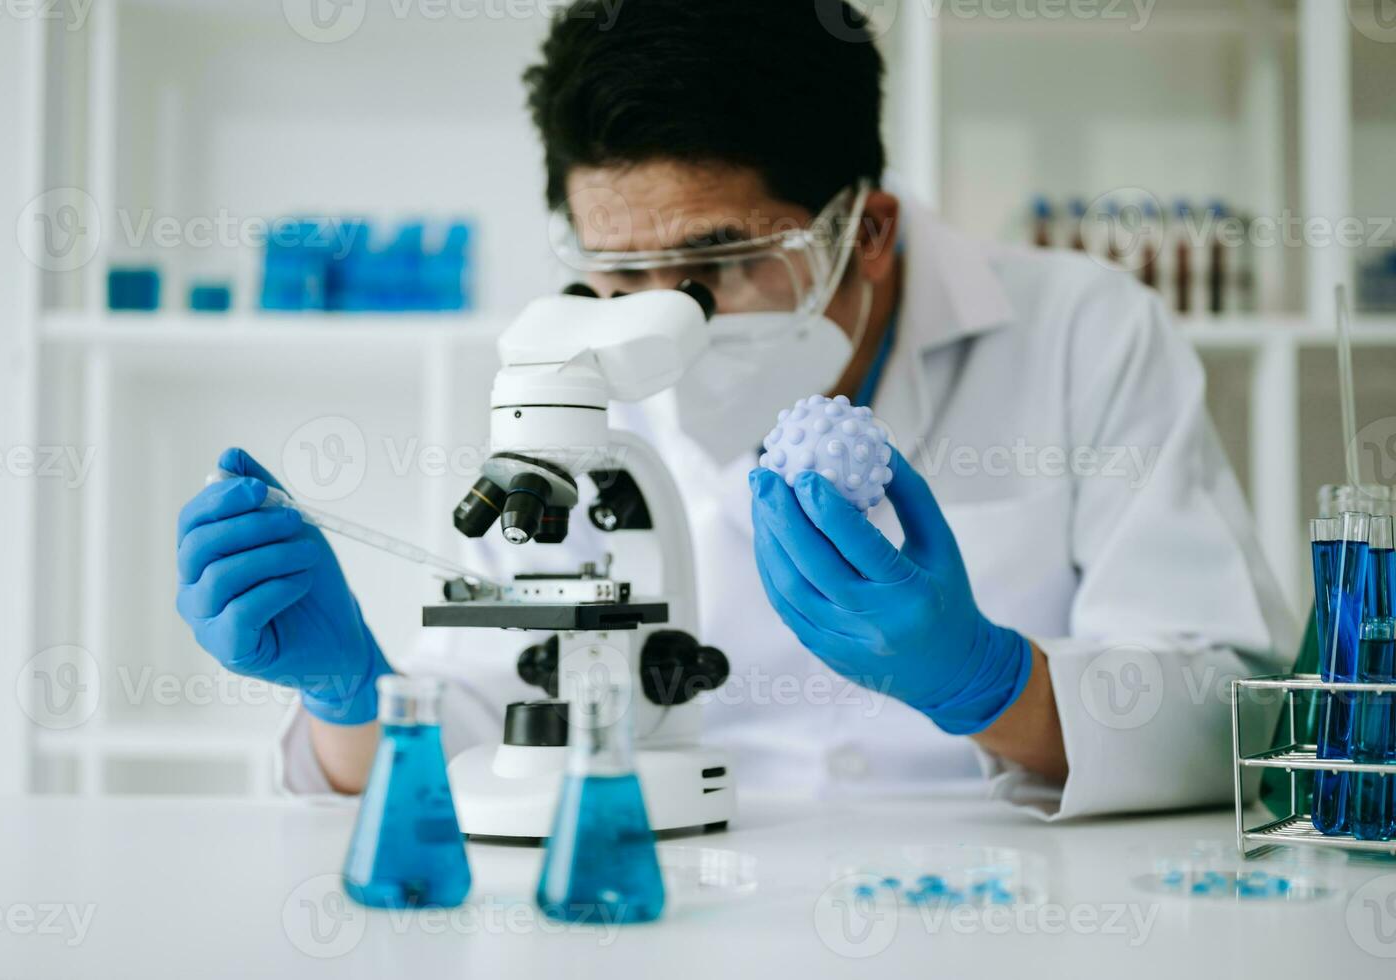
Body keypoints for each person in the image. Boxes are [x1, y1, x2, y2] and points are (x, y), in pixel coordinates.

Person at [174, 0, 1295, 818]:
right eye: (618, 272)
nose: (659, 321)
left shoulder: (1083, 331)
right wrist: (345, 693)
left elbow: (1240, 714)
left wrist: (989, 682)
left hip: (1018, 898)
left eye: (719, 260)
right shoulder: (564, 363)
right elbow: (493, 709)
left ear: (868, 230)